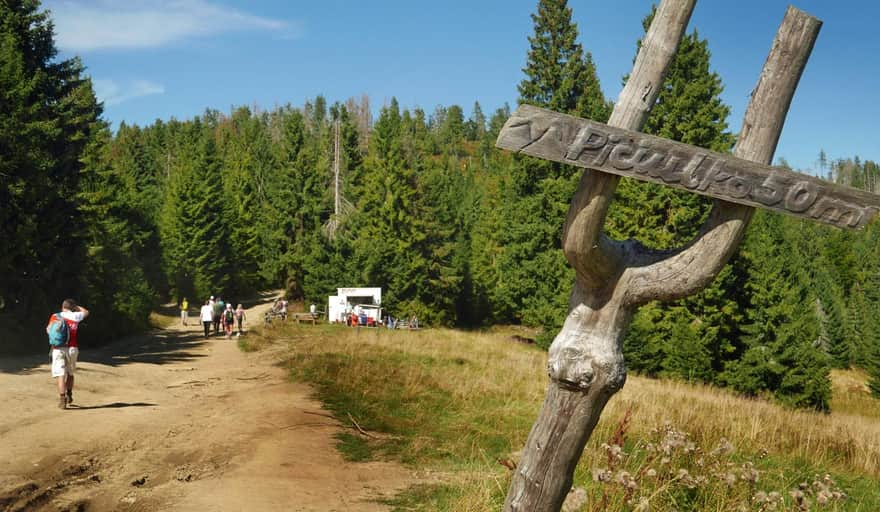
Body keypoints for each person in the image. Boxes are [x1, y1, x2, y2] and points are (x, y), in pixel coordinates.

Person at [46, 299, 89, 409]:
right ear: (73, 308)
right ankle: (69, 395)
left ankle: (62, 399)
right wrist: (76, 307)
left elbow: (48, 330)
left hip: (58, 348)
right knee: (70, 373)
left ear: (62, 307)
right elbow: (86, 312)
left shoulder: (55, 316)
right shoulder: (76, 316)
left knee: (61, 375)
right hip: (72, 348)